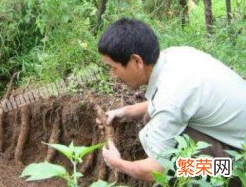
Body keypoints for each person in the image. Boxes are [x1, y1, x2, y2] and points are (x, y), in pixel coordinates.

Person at [98, 18, 246, 182]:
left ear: (136, 61)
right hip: (237, 138)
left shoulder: (171, 96)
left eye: (113, 68)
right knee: (159, 126)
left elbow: (155, 171)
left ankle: (229, 179)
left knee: (175, 166)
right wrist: (125, 112)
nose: (113, 75)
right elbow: (174, 102)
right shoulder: (176, 56)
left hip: (240, 166)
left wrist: (118, 163)